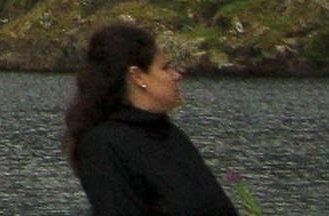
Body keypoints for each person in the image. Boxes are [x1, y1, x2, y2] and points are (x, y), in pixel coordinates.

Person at [66, 20, 235, 216]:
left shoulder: (165, 131)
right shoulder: (104, 145)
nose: (176, 75)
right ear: (138, 77)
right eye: (165, 68)